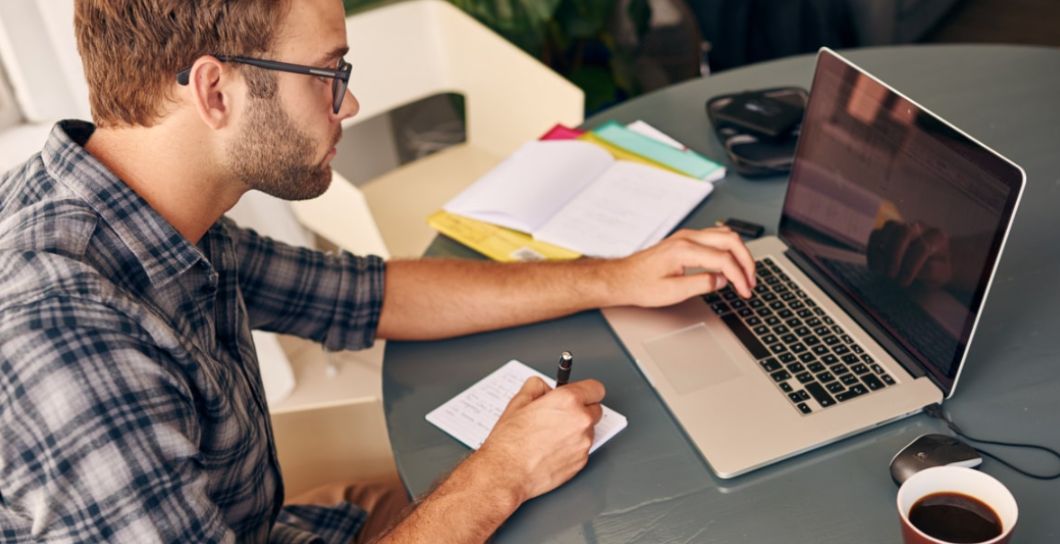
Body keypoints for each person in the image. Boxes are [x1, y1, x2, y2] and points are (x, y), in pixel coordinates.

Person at [0, 1, 755, 542]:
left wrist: (616, 276)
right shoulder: (68, 341)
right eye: (326, 73)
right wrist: (500, 476)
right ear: (215, 90)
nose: (350, 102)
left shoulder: (136, 203)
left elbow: (365, 294)